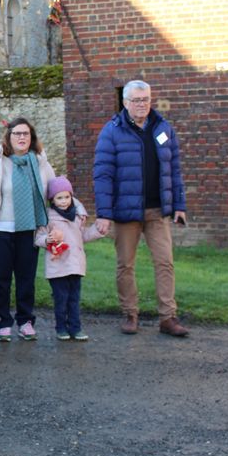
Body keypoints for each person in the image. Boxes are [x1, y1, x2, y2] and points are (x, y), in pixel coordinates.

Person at [93, 79, 189, 338]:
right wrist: (104, 213)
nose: (141, 104)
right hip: (126, 213)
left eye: (145, 99)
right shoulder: (111, 131)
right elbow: (102, 175)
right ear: (125, 102)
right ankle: (130, 314)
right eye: (136, 100)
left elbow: (175, 170)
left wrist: (179, 205)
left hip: (158, 211)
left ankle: (168, 317)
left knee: (165, 263)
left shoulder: (164, 129)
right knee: (126, 265)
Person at [0, 118, 59, 342]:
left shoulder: (40, 163)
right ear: (8, 137)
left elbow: (55, 195)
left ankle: (26, 321)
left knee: (26, 278)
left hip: (30, 231)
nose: (21, 138)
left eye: (26, 134)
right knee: (1, 278)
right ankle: (4, 322)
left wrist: (61, 223)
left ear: (32, 137)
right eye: (17, 133)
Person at [35, 176, 107, 342]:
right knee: (61, 300)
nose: (64, 201)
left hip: (75, 264)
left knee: (74, 299)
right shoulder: (48, 217)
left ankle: (76, 328)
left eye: (67, 197)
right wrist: (48, 239)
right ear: (52, 199)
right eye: (59, 198)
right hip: (57, 265)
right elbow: (38, 238)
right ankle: (61, 328)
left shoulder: (77, 215)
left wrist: (97, 231)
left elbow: (81, 236)